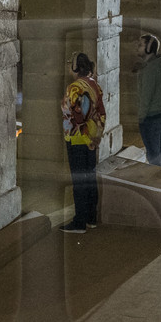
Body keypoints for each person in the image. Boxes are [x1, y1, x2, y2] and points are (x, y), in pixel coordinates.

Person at [59, 51, 106, 233]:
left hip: (77, 137)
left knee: (79, 180)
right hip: (91, 138)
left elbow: (75, 114)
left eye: (70, 63)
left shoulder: (74, 88)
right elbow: (100, 112)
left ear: (75, 67)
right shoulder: (95, 85)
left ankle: (79, 222)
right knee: (90, 177)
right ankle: (91, 218)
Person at [133, 33, 161, 167]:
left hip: (151, 117)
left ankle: (157, 182)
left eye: (141, 45)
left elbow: (145, 97)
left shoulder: (150, 70)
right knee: (160, 151)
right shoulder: (160, 64)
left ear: (149, 49)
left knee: (153, 155)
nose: (137, 47)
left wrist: (141, 118)